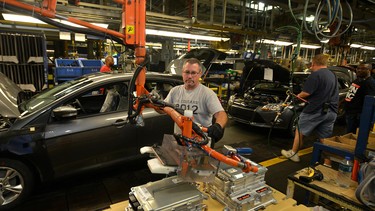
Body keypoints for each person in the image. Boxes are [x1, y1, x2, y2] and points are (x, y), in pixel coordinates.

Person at [281, 54, 339, 162]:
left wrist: (298, 96)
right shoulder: (333, 75)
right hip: (331, 111)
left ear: (313, 63)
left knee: (300, 131)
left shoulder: (315, 75)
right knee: (325, 138)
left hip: (315, 110)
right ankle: (327, 162)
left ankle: (293, 153)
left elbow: (306, 93)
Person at [164, 58, 228, 143]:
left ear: (200, 74)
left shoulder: (207, 93)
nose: (190, 76)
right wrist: (153, 101)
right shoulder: (174, 91)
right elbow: (162, 109)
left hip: (200, 141)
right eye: (187, 72)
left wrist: (218, 126)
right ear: (182, 73)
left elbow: (221, 113)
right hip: (180, 139)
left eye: (193, 73)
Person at [345, 62, 375, 134]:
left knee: (353, 135)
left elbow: (369, 102)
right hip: (350, 113)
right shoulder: (357, 81)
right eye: (358, 68)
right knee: (349, 134)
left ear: (369, 70)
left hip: (357, 115)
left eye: (363, 69)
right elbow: (351, 94)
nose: (359, 70)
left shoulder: (369, 83)